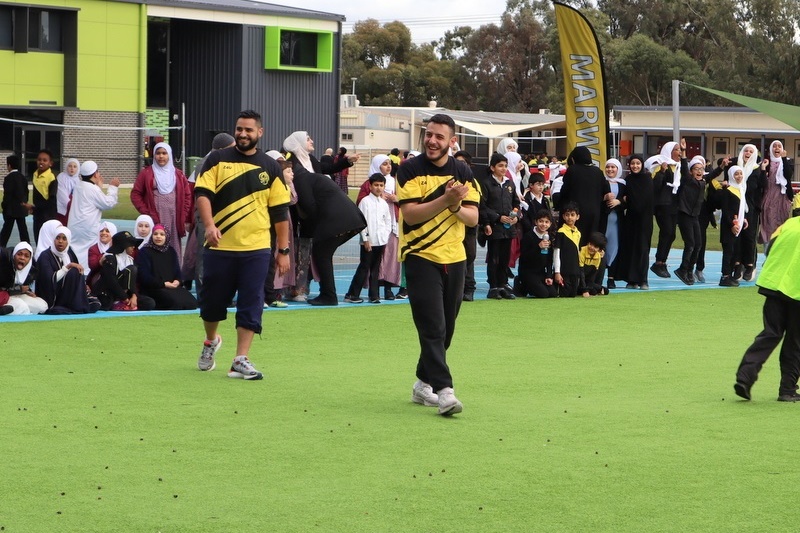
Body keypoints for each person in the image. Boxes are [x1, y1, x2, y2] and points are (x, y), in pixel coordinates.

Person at [194, 110, 291, 380]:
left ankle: (240, 359)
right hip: (220, 247)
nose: (243, 134)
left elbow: (280, 212)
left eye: (249, 130)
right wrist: (210, 225)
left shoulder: (270, 167)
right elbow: (202, 194)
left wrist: (283, 251)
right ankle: (211, 341)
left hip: (256, 249)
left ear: (260, 133)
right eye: (239, 129)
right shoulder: (216, 159)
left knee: (252, 302)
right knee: (212, 304)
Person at [397, 113, 480, 416]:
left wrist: (456, 205)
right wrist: (446, 200)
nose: (431, 141)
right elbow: (411, 215)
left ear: (451, 141)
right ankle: (444, 391)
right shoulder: (408, 170)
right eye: (428, 134)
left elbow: (473, 217)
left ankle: (422, 383)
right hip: (420, 256)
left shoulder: (463, 172)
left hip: (455, 258)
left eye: (439, 137)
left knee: (447, 330)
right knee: (432, 326)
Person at [733, 216, 800, 402]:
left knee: (770, 333)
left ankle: (745, 376)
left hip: (773, 284)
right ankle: (787, 388)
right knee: (795, 341)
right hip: (797, 290)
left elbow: (769, 249)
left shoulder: (789, 224)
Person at [291, 160, 366, 306]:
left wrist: (307, 230)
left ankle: (328, 294)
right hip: (350, 218)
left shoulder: (301, 181)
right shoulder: (311, 177)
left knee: (321, 254)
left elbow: (309, 207)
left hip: (337, 220)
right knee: (323, 254)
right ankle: (327, 293)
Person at [184, 132, 236, 292]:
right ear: (222, 148)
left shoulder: (221, 162)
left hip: (220, 216)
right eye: (231, 148)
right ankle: (205, 293)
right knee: (205, 255)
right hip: (208, 217)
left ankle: (219, 292)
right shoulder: (207, 164)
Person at [131, 141, 192, 261]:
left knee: (173, 246)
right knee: (156, 243)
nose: (161, 156)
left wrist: (183, 215)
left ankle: (174, 275)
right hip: (156, 216)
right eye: (158, 153)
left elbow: (187, 195)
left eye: (164, 153)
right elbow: (135, 194)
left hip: (174, 218)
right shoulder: (146, 173)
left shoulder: (178, 175)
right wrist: (146, 212)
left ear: (169, 155)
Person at [355, 154, 402, 301]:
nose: (388, 167)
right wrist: (366, 237)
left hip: (389, 229)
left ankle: (387, 289)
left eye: (389, 164)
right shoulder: (367, 191)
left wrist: (396, 199)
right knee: (367, 264)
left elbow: (406, 201)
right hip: (370, 234)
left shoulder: (395, 182)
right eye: (384, 164)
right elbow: (361, 211)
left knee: (389, 260)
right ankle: (357, 293)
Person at [345, 174, 392, 304]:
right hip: (369, 241)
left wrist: (385, 236)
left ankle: (374, 295)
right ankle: (352, 294)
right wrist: (365, 239)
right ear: (370, 186)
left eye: (381, 185)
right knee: (364, 267)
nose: (378, 188)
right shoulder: (365, 202)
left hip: (380, 240)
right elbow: (362, 222)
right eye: (376, 185)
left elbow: (387, 221)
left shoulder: (383, 203)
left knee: (376, 268)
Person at [479, 152, 519, 300]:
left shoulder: (510, 183)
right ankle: (494, 286)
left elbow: (516, 203)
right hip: (495, 227)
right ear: (492, 167)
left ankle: (503, 285)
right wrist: (494, 219)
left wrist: (515, 216)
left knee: (505, 258)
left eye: (505, 166)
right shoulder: (486, 183)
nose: (503, 169)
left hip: (508, 228)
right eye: (500, 166)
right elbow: (483, 206)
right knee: (494, 258)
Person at [67, 161, 120, 270]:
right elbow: (108, 203)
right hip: (88, 227)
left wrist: (98, 187)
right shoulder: (93, 189)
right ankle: (85, 273)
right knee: (88, 251)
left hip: (74, 226)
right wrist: (113, 187)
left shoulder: (79, 186)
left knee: (74, 249)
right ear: (95, 174)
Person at [34, 225, 99, 314]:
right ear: (53, 239)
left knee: (95, 304)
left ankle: (73, 303)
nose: (60, 241)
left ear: (68, 241)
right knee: (73, 271)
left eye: (64, 238)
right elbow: (49, 280)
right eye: (58, 238)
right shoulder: (45, 256)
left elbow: (78, 273)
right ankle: (70, 305)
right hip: (52, 296)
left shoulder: (69, 254)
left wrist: (83, 285)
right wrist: (67, 267)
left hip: (68, 292)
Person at [557, 146, 611, 246]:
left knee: (575, 240)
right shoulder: (597, 172)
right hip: (594, 212)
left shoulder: (572, 170)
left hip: (575, 212)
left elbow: (565, 191)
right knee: (590, 240)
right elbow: (606, 191)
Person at [135, 224, 197, 310]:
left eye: (162, 234)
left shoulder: (171, 251)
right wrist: (163, 284)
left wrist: (177, 281)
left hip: (172, 288)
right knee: (175, 303)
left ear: (166, 236)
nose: (158, 237)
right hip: (154, 288)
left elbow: (177, 272)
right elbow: (144, 276)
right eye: (155, 234)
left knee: (192, 302)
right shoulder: (145, 252)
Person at [92, 230, 156, 311]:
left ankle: (126, 304)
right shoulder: (109, 259)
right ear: (123, 246)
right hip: (108, 293)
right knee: (132, 269)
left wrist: (134, 296)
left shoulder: (130, 259)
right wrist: (125, 298)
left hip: (126, 294)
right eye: (131, 245)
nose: (134, 247)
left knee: (149, 303)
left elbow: (132, 283)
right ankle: (119, 303)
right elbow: (112, 282)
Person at [618, 155, 654, 290]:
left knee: (643, 249)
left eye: (638, 163)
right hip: (631, 220)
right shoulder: (628, 180)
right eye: (632, 164)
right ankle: (632, 279)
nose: (635, 166)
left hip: (644, 220)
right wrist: (627, 200)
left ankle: (643, 279)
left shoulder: (647, 179)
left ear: (642, 165)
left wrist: (629, 199)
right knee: (631, 248)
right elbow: (626, 199)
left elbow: (645, 199)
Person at [650, 141, 684, 278]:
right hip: (662, 205)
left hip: (674, 205)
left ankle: (662, 262)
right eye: (676, 149)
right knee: (667, 231)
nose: (679, 152)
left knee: (672, 234)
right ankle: (658, 262)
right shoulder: (660, 165)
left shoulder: (678, 167)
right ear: (669, 151)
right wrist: (662, 172)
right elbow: (655, 185)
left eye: (680, 149)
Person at [673, 153, 705, 285]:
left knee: (698, 244)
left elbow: (713, 174)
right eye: (696, 169)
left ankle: (689, 270)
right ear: (691, 171)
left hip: (694, 216)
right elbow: (684, 169)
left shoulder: (702, 183)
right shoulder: (687, 180)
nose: (699, 171)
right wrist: (684, 155)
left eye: (701, 169)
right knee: (690, 244)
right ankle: (683, 269)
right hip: (684, 215)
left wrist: (721, 167)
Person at [453, 150, 479, 302]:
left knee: (469, 257)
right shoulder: (450, 182)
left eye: (462, 163)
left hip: (468, 227)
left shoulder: (473, 184)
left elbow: (480, 206)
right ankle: (458, 289)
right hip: (453, 226)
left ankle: (469, 288)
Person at [717, 165, 748, 287]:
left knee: (735, 252)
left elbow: (740, 208)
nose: (739, 176)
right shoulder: (727, 190)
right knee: (728, 252)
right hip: (728, 226)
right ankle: (725, 276)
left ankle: (729, 275)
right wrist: (731, 224)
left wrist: (743, 219)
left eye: (740, 173)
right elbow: (726, 210)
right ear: (731, 175)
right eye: (736, 174)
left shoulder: (740, 188)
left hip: (737, 225)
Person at [759, 140, 794, 246]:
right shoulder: (766, 163)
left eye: (779, 146)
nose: (777, 148)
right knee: (768, 225)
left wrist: (783, 159)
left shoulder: (787, 162)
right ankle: (768, 252)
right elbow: (762, 182)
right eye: (774, 146)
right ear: (771, 150)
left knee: (781, 225)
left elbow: (788, 175)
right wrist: (763, 169)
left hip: (782, 198)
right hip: (769, 198)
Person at [515, 209, 557, 298]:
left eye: (546, 222)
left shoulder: (548, 238)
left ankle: (531, 285)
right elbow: (524, 257)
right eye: (541, 221)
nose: (544, 224)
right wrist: (538, 247)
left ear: (550, 224)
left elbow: (549, 260)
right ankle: (521, 283)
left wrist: (549, 276)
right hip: (528, 272)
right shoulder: (528, 236)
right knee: (543, 294)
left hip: (540, 273)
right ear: (536, 222)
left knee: (553, 293)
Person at [0, 242, 48, 315]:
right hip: (4, 295)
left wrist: (27, 291)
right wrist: (19, 289)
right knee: (22, 306)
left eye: (26, 256)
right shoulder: (4, 264)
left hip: (16, 294)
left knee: (42, 306)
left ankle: (12, 309)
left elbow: (24, 285)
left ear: (29, 259)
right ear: (14, 255)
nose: (22, 258)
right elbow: (3, 288)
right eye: (19, 254)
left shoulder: (31, 270)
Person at [283, 131, 360, 176]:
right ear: (299, 143)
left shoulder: (311, 159)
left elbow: (330, 168)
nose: (312, 141)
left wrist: (348, 160)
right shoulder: (290, 163)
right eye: (308, 139)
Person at [602, 158, 626, 289]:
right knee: (600, 248)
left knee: (614, 249)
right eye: (608, 167)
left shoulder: (623, 184)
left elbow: (628, 200)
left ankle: (611, 278)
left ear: (618, 169)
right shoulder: (601, 182)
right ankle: (597, 276)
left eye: (613, 167)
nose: (610, 169)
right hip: (603, 221)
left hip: (616, 223)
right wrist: (604, 198)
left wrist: (619, 202)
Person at [0, 154, 31, 248]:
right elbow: (26, 191)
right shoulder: (23, 177)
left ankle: (1, 246)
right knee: (23, 229)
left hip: (11, 210)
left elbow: (7, 195)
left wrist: (4, 206)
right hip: (21, 208)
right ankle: (27, 246)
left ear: (9, 165)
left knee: (6, 230)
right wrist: (24, 203)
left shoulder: (8, 178)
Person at [553, 202, 582, 297]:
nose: (570, 217)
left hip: (574, 270)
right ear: (563, 217)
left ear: (577, 217)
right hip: (564, 270)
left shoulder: (578, 232)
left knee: (573, 294)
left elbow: (577, 250)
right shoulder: (561, 232)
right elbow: (557, 252)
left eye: (572, 215)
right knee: (564, 294)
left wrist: (579, 267)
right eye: (567, 215)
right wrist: (557, 272)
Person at [31, 149, 58, 244]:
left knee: (46, 242)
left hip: (47, 216)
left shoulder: (51, 178)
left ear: (50, 163)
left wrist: (34, 208)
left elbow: (52, 200)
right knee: (37, 240)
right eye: (39, 159)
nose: (41, 162)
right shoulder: (35, 174)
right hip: (37, 215)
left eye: (45, 160)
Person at [87, 220, 117, 289]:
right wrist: (106, 254)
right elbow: (93, 265)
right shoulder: (93, 249)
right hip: (97, 278)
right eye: (101, 231)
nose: (103, 233)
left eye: (107, 231)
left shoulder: (117, 248)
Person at [578, 231, 608, 297]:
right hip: (578, 278)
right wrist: (585, 290)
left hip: (587, 280)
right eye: (590, 244)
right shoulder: (582, 251)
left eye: (595, 246)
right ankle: (599, 288)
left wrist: (588, 289)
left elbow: (592, 276)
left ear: (600, 250)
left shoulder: (598, 256)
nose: (591, 247)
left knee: (602, 291)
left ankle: (600, 288)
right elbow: (581, 273)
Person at [55, 158, 80, 225]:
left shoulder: (77, 180)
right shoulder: (61, 177)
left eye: (75, 167)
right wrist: (70, 204)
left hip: (73, 210)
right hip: (63, 210)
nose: (72, 168)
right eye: (70, 166)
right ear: (66, 167)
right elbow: (61, 194)